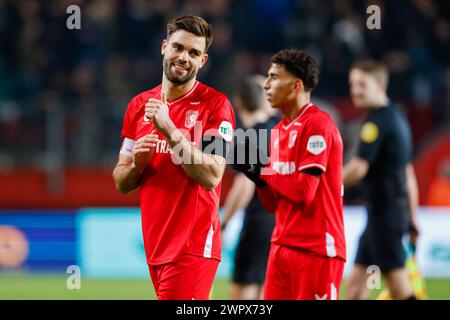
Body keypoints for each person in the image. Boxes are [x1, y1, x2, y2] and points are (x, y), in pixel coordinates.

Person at [112, 15, 235, 300]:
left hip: (192, 245)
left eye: (193, 53)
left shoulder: (216, 106)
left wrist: (169, 129)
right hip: (156, 246)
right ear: (164, 47)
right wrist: (137, 166)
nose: (184, 57)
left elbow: (212, 174)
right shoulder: (138, 106)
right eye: (178, 47)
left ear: (202, 61)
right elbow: (121, 180)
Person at [234, 49, 346, 300]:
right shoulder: (278, 131)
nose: (265, 84)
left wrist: (261, 169)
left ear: (296, 85)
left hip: (317, 250)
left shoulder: (318, 125)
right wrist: (255, 176)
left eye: (274, 77)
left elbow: (303, 193)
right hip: (281, 246)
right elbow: (272, 204)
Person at [343, 60, 419, 300]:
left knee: (399, 289)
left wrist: (323, 184)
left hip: (385, 218)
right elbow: (408, 174)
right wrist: (412, 218)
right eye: (353, 84)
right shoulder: (397, 119)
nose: (355, 90)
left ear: (381, 85)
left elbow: (358, 168)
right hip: (383, 215)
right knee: (355, 288)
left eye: (362, 84)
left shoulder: (377, 122)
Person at [221, 75, 277, 300]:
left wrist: (224, 223)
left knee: (242, 292)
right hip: (282, 220)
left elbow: (244, 185)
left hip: (258, 220)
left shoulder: (248, 137)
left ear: (239, 102)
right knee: (267, 289)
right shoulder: (281, 128)